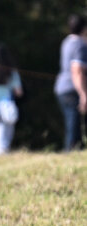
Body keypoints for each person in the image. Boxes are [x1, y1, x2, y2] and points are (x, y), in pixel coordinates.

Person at [54, 14, 87, 151]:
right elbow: (77, 71)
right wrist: (83, 94)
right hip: (72, 89)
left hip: (61, 88)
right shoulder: (80, 45)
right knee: (74, 128)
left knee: (71, 125)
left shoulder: (66, 42)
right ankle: (70, 154)